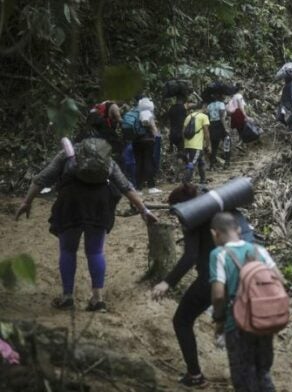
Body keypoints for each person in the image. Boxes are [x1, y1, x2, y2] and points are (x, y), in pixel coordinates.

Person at [15, 138, 157, 311]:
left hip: (71, 203)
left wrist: (27, 202)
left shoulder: (66, 156)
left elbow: (41, 179)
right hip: (99, 205)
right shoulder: (107, 160)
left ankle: (67, 297)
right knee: (95, 251)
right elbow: (125, 187)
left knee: (68, 250)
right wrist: (144, 210)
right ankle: (97, 299)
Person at [152, 185, 255, 388]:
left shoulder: (192, 218)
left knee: (181, 321)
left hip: (213, 278)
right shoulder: (222, 210)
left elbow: (190, 256)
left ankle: (195, 376)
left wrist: (167, 282)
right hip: (243, 277)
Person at [209, 212, 277, 392]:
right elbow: (280, 280)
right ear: (239, 229)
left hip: (237, 324)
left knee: (244, 379)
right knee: (263, 373)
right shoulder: (259, 250)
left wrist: (219, 320)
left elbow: (218, 295)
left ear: (214, 234)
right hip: (263, 322)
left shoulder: (219, 254)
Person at [132, 97, 161, 194]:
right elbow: (153, 128)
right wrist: (157, 136)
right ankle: (151, 187)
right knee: (148, 162)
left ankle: (138, 188)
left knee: (138, 163)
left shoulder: (136, 113)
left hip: (136, 141)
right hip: (147, 141)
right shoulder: (148, 114)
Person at [182, 103, 210, 185]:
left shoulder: (188, 117)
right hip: (196, 145)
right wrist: (207, 144)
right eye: (206, 108)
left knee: (201, 162)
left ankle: (203, 180)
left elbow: (183, 131)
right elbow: (206, 132)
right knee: (192, 163)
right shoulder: (204, 117)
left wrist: (185, 143)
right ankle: (186, 181)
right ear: (203, 107)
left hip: (188, 144)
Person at [207, 95, 227, 171]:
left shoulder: (209, 106)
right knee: (227, 142)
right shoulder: (221, 104)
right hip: (220, 124)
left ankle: (212, 165)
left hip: (212, 125)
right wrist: (226, 128)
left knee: (214, 146)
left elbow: (208, 117)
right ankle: (227, 162)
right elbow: (222, 118)